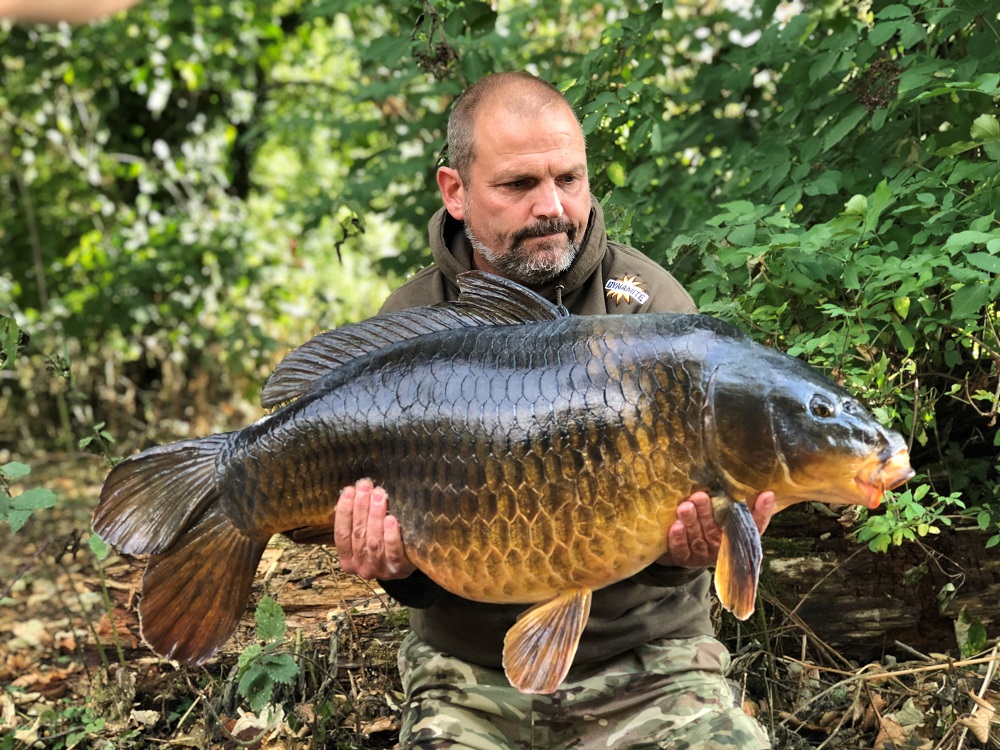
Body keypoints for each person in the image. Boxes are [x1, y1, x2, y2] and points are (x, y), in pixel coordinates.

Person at [334, 71, 775, 749]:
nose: (553, 206)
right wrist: (394, 569)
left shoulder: (651, 310)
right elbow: (415, 574)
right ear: (455, 191)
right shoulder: (414, 323)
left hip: (649, 665)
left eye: (569, 179)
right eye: (519, 186)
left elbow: (684, 540)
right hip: (469, 673)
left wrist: (687, 552)